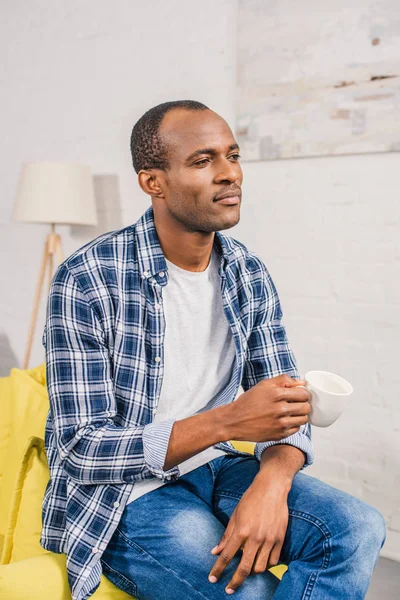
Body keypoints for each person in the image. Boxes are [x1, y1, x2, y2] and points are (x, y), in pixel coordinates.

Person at [40, 100, 386, 600]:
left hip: (216, 465)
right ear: (152, 182)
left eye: (233, 155)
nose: (230, 175)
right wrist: (228, 423)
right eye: (203, 161)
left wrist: (271, 483)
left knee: (357, 527)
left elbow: (286, 403)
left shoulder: (248, 273)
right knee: (252, 591)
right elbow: (80, 450)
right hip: (125, 495)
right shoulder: (88, 279)